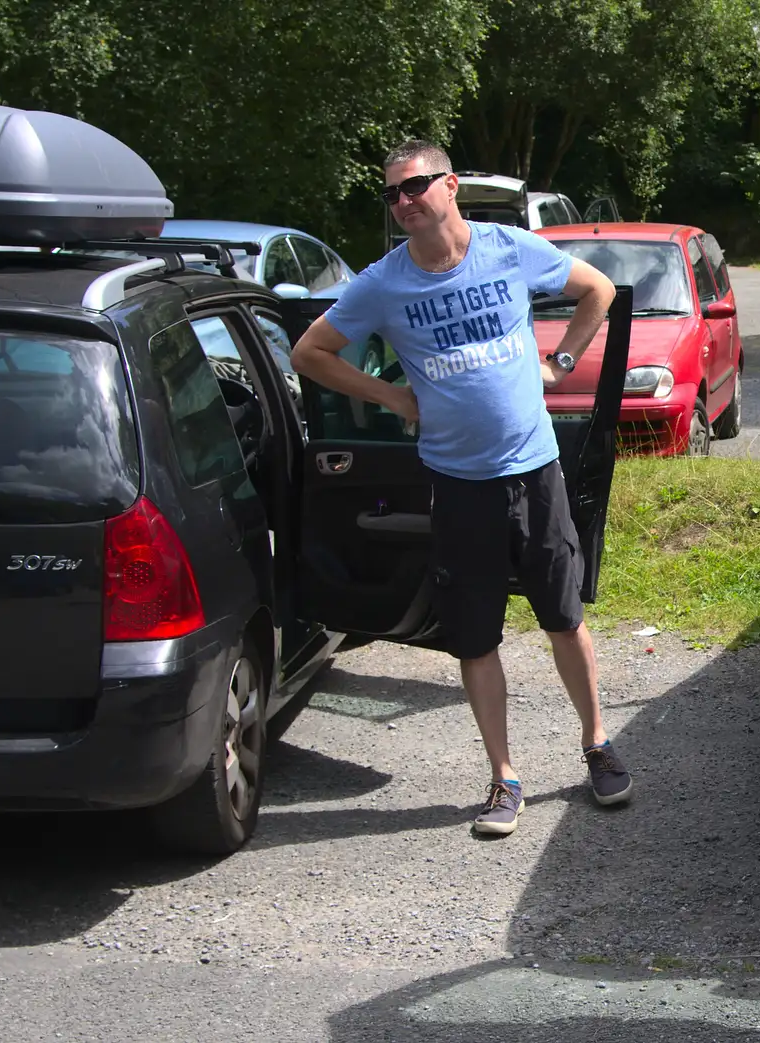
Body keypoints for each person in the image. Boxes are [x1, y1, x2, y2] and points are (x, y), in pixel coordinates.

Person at [290, 140, 632, 837]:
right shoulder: (383, 282)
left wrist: (561, 361)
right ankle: (504, 779)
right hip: (459, 483)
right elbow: (309, 353)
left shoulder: (507, 247)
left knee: (563, 617)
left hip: (535, 471)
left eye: (414, 186)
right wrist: (391, 395)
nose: (403, 202)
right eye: (391, 194)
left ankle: (597, 745)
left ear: (449, 185)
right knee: (475, 638)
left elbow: (596, 289)